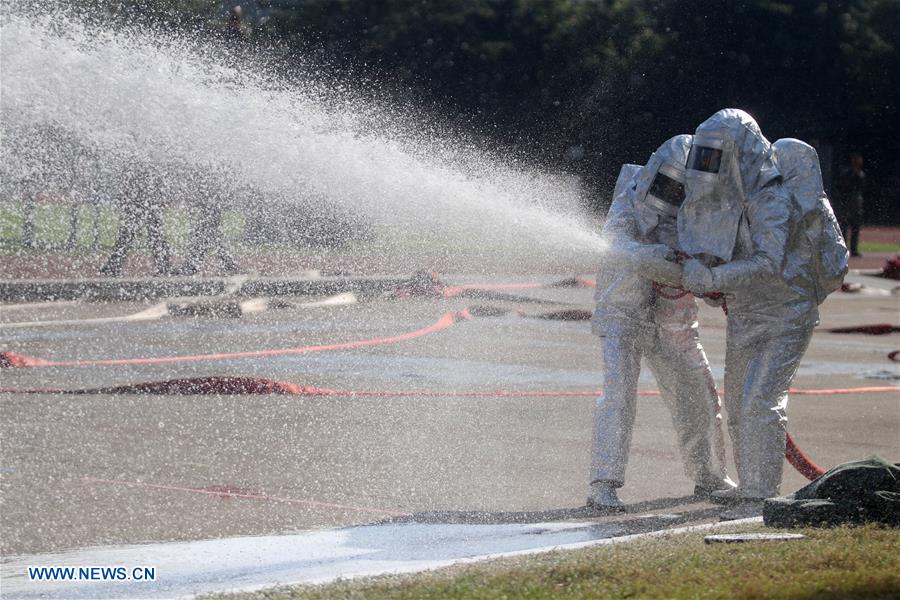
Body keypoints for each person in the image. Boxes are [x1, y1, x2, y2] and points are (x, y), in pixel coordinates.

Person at [678, 109, 829, 520]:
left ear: (739, 152)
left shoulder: (771, 199)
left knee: (761, 401)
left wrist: (713, 274)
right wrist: (711, 284)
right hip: (746, 313)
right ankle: (751, 486)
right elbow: (727, 261)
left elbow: (768, 263)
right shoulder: (728, 203)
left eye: (716, 156)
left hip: (785, 314)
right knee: (740, 401)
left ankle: (761, 495)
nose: (708, 168)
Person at [588, 134, 733, 511]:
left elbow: (711, 265)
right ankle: (603, 484)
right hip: (623, 312)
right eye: (669, 185)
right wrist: (655, 256)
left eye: (682, 189)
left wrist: (710, 278)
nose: (673, 195)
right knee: (618, 398)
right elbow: (616, 244)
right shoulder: (629, 195)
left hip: (675, 320)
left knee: (698, 397)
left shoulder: (700, 216)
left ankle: (709, 474)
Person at [100, 161, 171, 278]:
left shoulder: (139, 164)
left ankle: (114, 264)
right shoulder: (146, 164)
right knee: (152, 233)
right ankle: (162, 265)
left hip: (141, 198)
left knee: (134, 232)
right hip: (144, 198)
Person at [832, 153, 866, 257]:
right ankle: (843, 249)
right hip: (845, 204)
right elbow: (842, 187)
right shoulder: (846, 173)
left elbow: (861, 188)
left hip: (855, 204)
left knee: (855, 228)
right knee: (843, 228)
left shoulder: (861, 174)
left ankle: (854, 250)